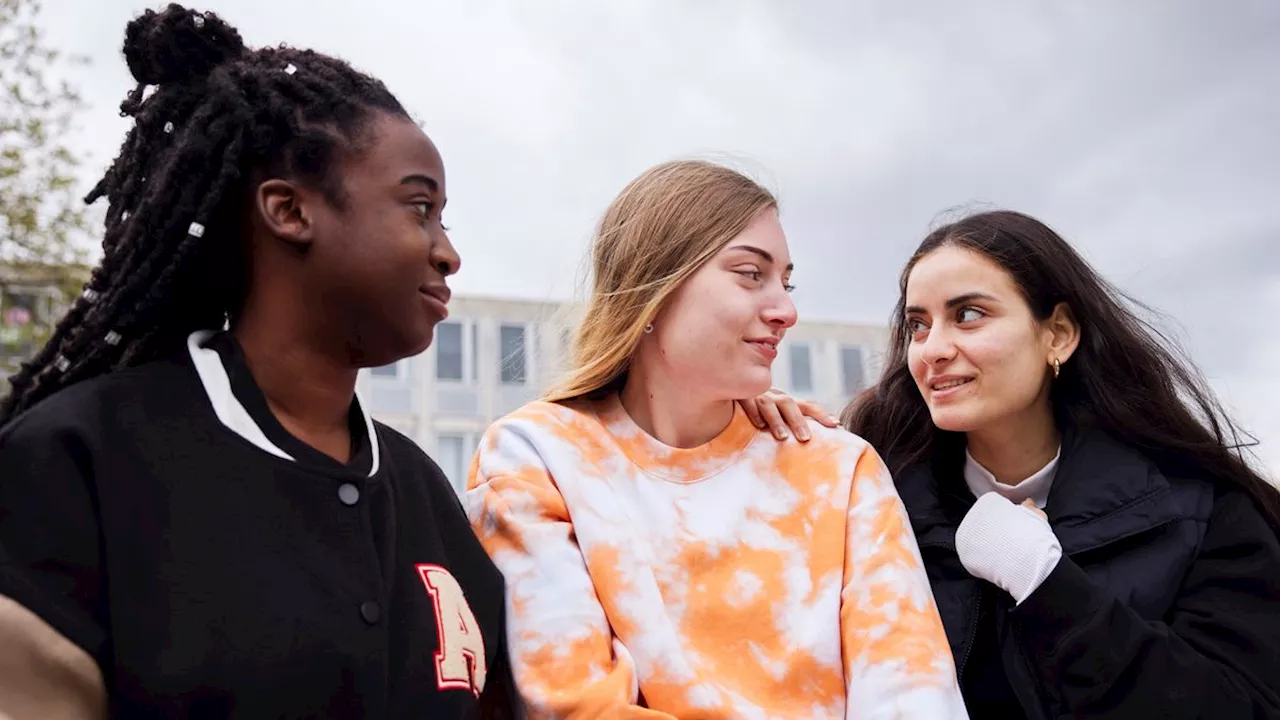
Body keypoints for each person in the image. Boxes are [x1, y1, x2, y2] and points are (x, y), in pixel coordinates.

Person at [0, 5, 514, 718]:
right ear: (289, 211)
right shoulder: (79, 459)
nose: (447, 251)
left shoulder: (427, 497)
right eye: (419, 207)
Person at [465, 160, 969, 719]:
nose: (786, 310)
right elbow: (571, 706)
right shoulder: (537, 457)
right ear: (654, 287)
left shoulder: (838, 468)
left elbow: (914, 696)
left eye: (786, 281)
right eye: (751, 274)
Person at [842, 210, 1280, 718]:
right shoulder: (873, 514)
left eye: (968, 315)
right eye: (918, 325)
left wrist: (1044, 580)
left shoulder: (1205, 513)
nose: (932, 349)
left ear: (1059, 335)